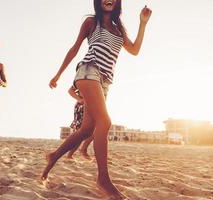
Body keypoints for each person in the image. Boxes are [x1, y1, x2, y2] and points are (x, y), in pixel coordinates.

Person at [42, 0, 152, 199]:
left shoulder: (119, 30)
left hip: (105, 82)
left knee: (87, 129)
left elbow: (134, 50)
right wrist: (58, 75)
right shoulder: (92, 22)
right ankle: (103, 178)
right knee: (105, 122)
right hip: (89, 70)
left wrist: (142, 23)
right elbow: (75, 48)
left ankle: (54, 156)